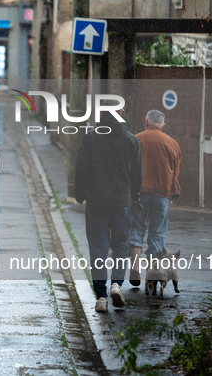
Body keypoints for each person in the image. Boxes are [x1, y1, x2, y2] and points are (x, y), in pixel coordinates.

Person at [75, 102, 143, 312]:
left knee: (98, 248)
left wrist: (79, 193)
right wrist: (133, 195)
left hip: (96, 201)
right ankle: (116, 283)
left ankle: (101, 297)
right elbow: (137, 173)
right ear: (121, 113)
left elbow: (81, 167)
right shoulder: (131, 140)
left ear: (102, 113)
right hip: (122, 202)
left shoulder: (91, 137)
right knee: (121, 245)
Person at [127, 110, 181, 286]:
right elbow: (175, 172)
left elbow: (129, 167)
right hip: (162, 194)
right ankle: (153, 273)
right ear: (163, 125)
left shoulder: (136, 139)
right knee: (157, 232)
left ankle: (135, 269)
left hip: (139, 193)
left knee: (136, 228)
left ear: (146, 122)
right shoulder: (172, 144)